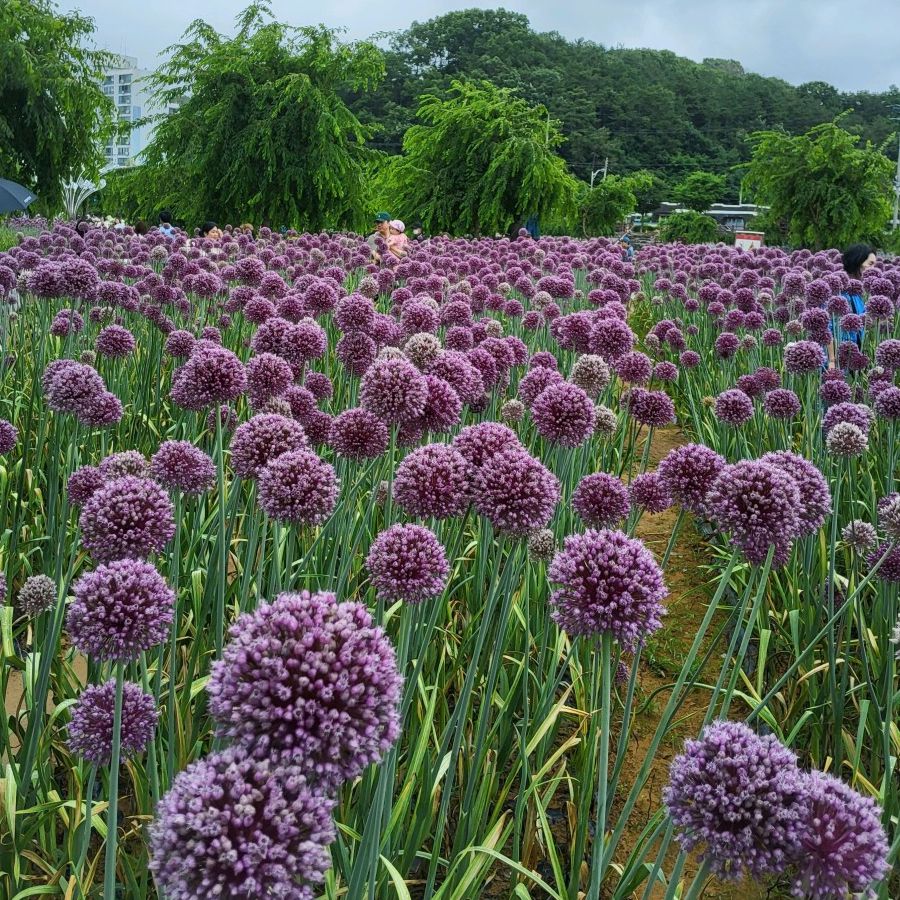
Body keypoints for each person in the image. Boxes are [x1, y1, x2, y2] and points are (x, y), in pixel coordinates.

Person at [828, 243, 876, 369]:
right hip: (837, 359)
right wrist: (832, 361)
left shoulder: (857, 293)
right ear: (858, 262)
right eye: (871, 264)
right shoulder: (839, 290)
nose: (874, 268)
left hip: (853, 357)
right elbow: (827, 328)